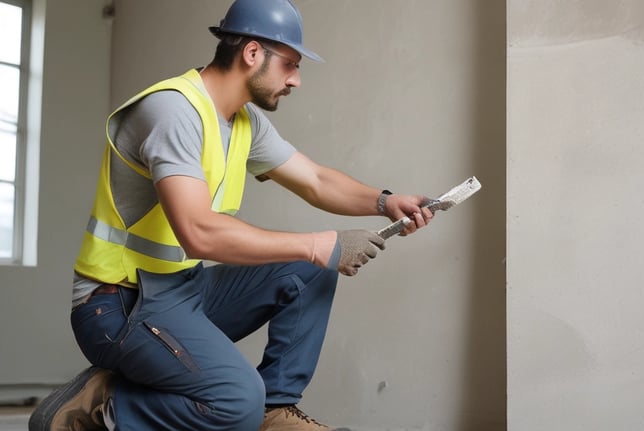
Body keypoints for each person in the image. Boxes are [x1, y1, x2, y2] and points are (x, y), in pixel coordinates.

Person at [28, 0, 433, 429]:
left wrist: (385, 201)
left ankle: (273, 410)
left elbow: (314, 179)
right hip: (116, 304)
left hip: (180, 291)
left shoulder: (244, 122)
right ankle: (107, 404)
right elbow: (198, 233)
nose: (296, 80)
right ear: (253, 53)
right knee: (234, 402)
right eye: (291, 65)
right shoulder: (173, 111)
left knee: (310, 270)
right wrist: (322, 245)